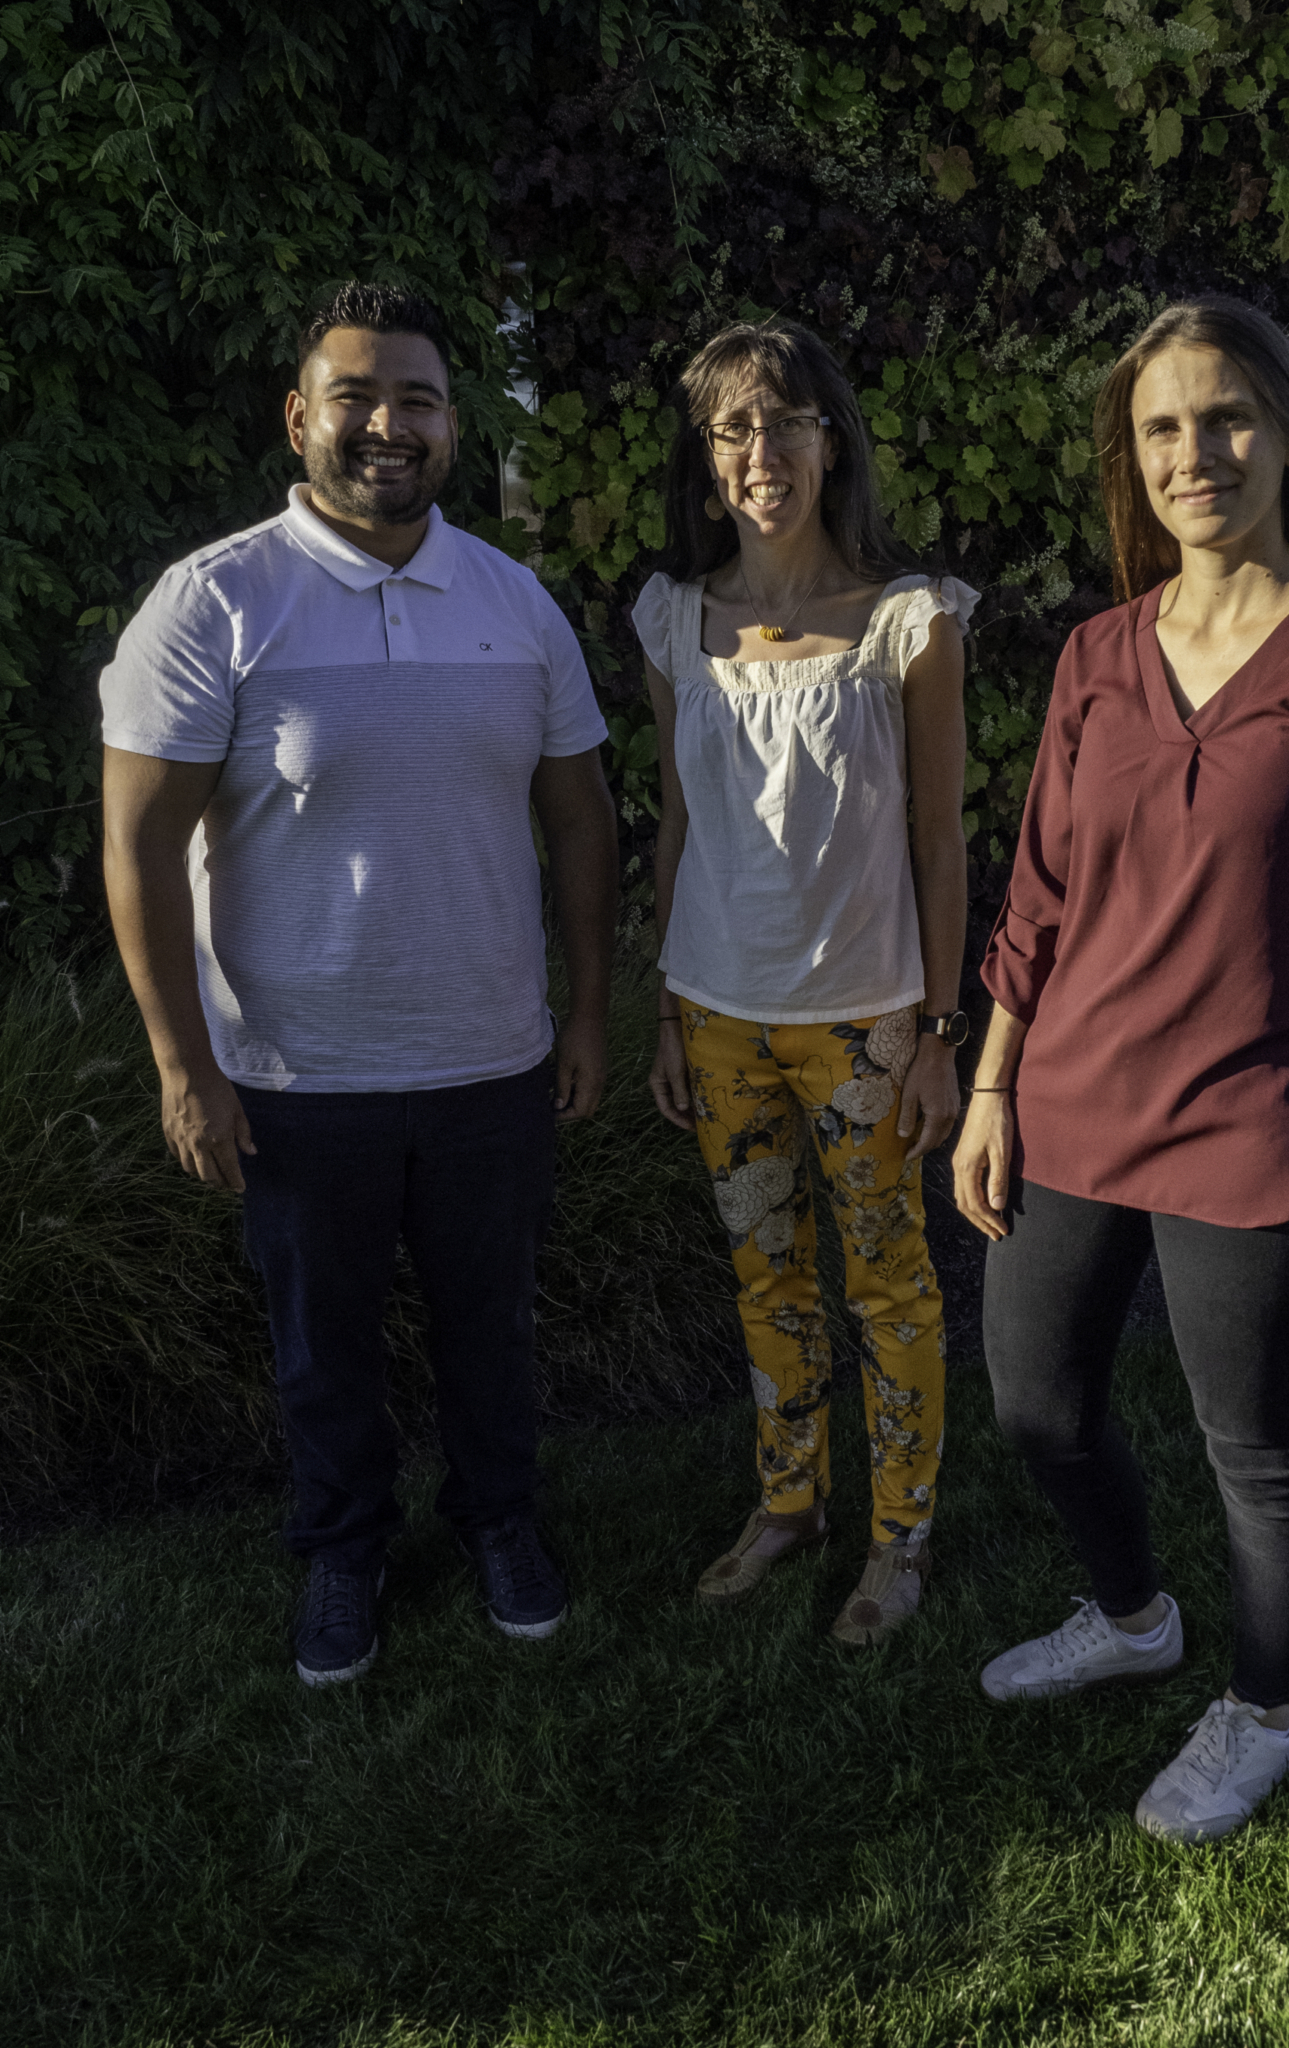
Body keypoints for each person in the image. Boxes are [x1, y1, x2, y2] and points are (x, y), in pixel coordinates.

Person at [952, 296, 1289, 1840]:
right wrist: (990, 1085)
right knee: (1039, 1407)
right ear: (1135, 456)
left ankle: (1260, 1707)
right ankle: (1129, 1617)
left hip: (1259, 1119)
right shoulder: (1100, 654)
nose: (1199, 453)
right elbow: (1039, 889)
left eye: (1229, 416)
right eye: (1165, 427)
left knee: (1257, 1452)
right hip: (1071, 1103)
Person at [99, 282, 618, 1687]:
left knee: (490, 1328)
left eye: (419, 401)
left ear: (453, 427)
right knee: (323, 1350)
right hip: (294, 1075)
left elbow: (579, 818)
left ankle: (501, 1522)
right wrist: (181, 1062)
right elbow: (139, 846)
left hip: (489, 1060)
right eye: (359, 397)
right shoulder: (216, 600)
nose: (389, 425)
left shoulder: (515, 604)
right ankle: (343, 1549)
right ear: (300, 417)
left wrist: (584, 1013)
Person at [636, 321, 973, 1645]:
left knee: (888, 1286)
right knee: (765, 1275)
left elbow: (941, 844)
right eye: (733, 429)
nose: (761, 452)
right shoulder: (673, 619)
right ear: (709, 459)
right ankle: (791, 1504)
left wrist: (941, 1032)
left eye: (786, 423)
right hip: (719, 1015)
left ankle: (903, 1537)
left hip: (866, 1021)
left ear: (833, 442)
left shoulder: (911, 618)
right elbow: (673, 823)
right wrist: (666, 1006)